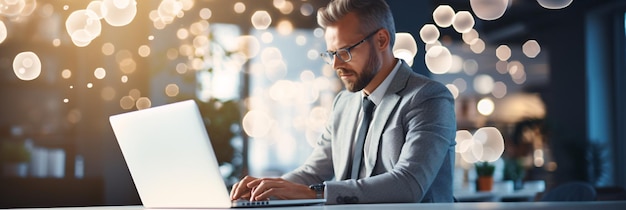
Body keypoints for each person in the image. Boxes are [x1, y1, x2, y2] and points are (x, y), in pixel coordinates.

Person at [230, 0, 456, 204]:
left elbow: (408, 184)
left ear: (381, 40)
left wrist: (316, 193)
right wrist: (265, 189)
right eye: (331, 54)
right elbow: (313, 172)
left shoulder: (429, 97)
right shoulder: (344, 103)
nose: (335, 64)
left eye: (345, 51)